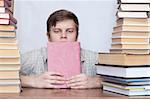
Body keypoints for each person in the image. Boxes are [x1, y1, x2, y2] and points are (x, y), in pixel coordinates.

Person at [20, 9, 102, 89]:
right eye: (57, 31)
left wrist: (96, 81)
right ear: (48, 36)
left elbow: (114, 79)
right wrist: (34, 81)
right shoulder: (36, 56)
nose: (63, 36)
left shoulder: (94, 58)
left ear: (77, 35)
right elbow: (7, 75)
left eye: (69, 31)